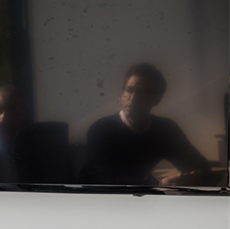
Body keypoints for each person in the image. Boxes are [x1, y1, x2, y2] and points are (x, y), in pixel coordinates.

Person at [79, 63, 211, 186]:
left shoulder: (165, 129)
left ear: (156, 99)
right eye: (129, 90)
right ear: (122, 93)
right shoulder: (100, 129)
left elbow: (198, 165)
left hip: (140, 197)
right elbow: (111, 179)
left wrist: (189, 177)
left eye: (142, 92)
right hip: (93, 199)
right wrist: (158, 185)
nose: (132, 98)